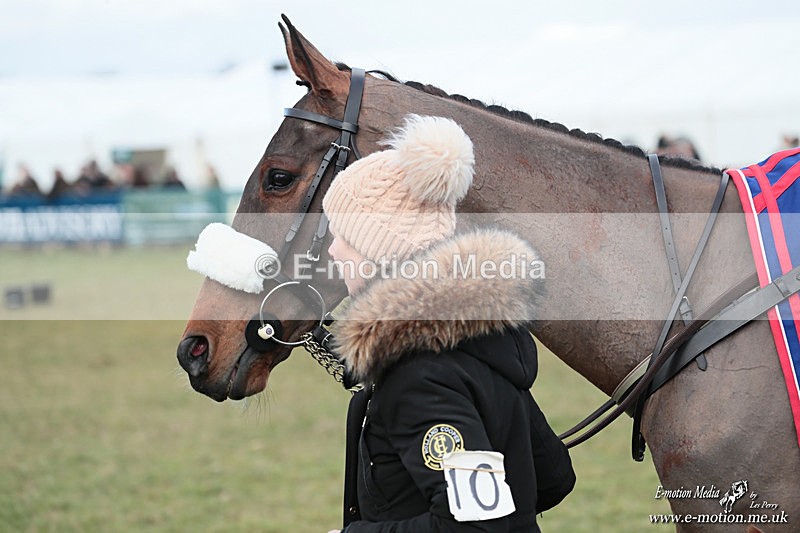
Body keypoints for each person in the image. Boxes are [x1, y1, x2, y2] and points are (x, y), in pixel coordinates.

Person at [321, 115, 575, 532]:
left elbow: (474, 527)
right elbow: (552, 477)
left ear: (378, 250)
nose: (333, 250)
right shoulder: (483, 338)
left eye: (342, 235)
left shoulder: (418, 375)